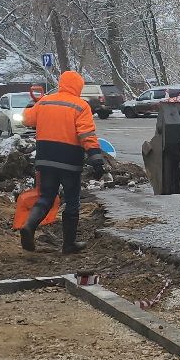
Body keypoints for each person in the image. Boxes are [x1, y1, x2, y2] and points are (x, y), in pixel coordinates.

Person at [20, 70, 106, 254]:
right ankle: (68, 245)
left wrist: (30, 106)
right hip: (69, 163)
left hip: (45, 161)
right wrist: (96, 159)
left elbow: (27, 120)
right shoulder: (80, 106)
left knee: (45, 198)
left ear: (61, 84)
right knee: (72, 202)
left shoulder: (45, 101)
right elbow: (87, 135)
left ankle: (29, 226)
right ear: (78, 87)